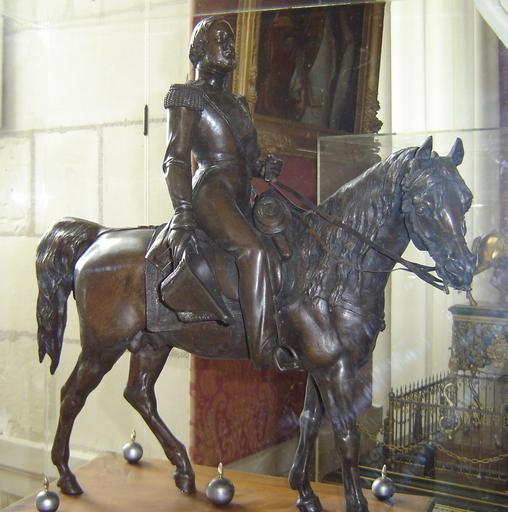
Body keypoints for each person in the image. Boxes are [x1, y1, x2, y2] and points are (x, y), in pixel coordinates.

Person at [161, 15, 299, 371]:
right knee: (252, 252)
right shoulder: (187, 96)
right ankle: (266, 348)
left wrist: (262, 169)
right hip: (210, 193)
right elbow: (175, 159)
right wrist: (182, 211)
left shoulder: (238, 103)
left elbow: (247, 160)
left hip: (240, 195)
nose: (229, 45)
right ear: (199, 49)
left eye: (231, 40)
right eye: (219, 38)